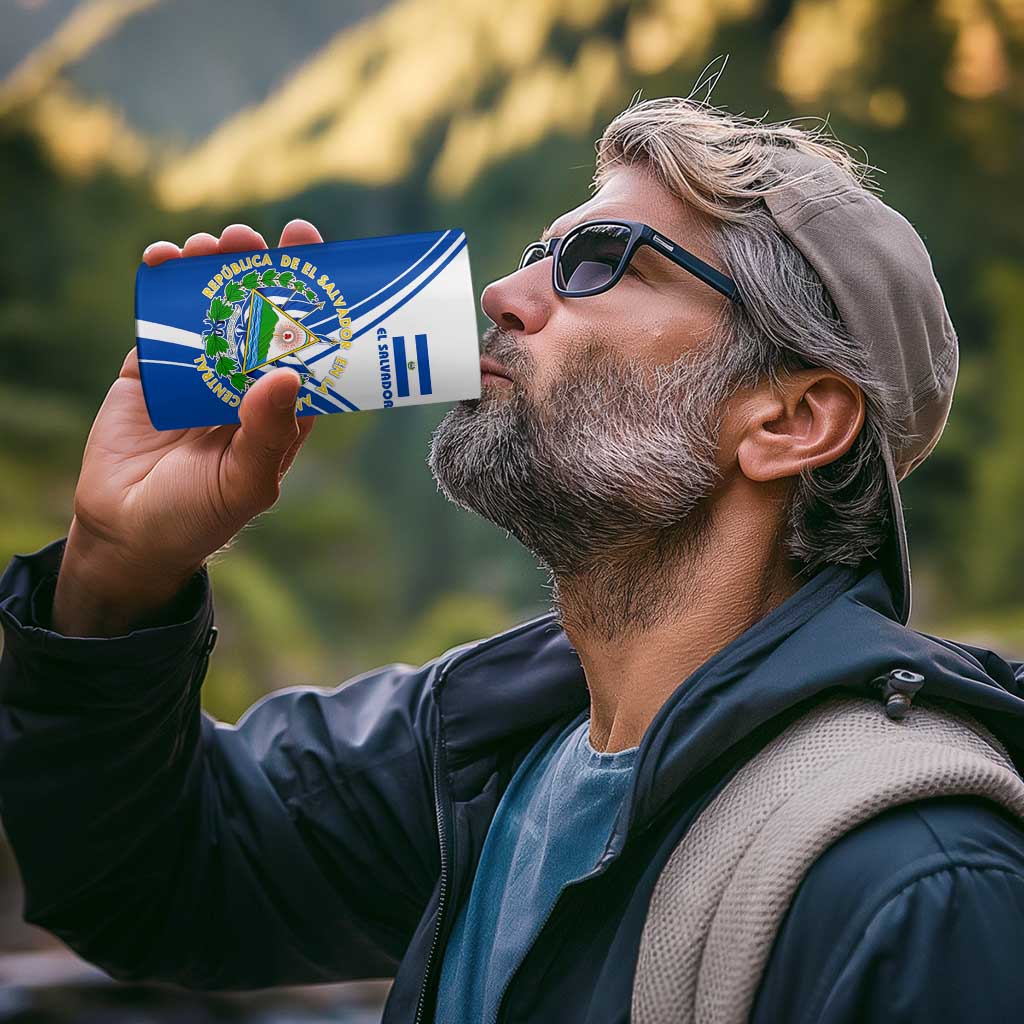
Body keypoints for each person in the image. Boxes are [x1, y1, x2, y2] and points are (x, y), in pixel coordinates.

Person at [2, 95, 1024, 1024]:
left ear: (791, 419)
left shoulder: (918, 884)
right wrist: (116, 571)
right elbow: (149, 880)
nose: (503, 291)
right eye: (540, 252)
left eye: (599, 261)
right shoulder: (480, 749)